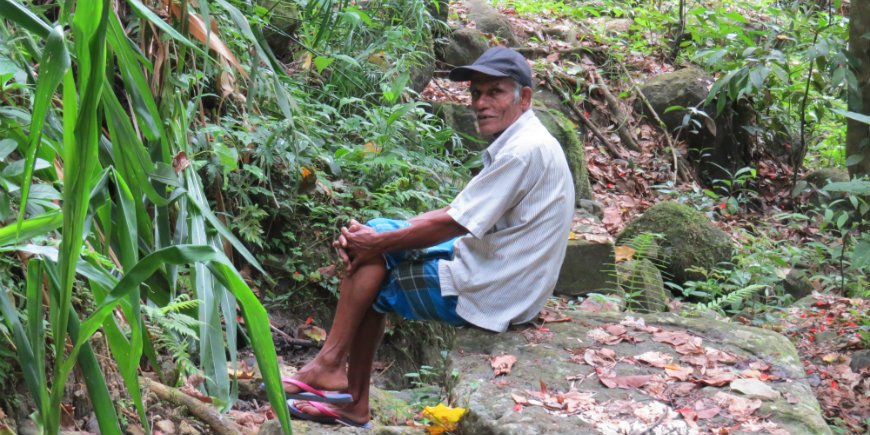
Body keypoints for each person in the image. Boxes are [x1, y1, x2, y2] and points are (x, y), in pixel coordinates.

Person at [283, 46, 575, 428]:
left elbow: (453, 223)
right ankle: (334, 370)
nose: (481, 103)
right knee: (381, 233)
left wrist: (374, 245)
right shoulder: (525, 139)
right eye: (476, 93)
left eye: (495, 92)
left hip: (494, 290)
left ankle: (342, 383)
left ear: (525, 98)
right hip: (502, 267)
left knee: (376, 274)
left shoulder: (522, 151)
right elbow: (458, 212)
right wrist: (376, 235)